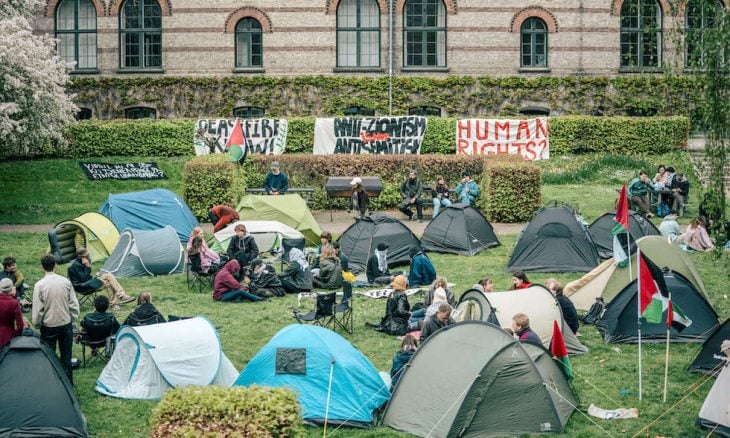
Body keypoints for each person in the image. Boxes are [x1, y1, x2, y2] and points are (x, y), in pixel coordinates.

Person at [32, 254, 79, 382]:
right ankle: (68, 382)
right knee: (66, 355)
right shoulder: (65, 282)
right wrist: (72, 317)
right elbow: (74, 304)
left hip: (49, 326)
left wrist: (37, 323)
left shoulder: (40, 285)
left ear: (42, 267)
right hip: (65, 323)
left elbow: (38, 308)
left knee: (48, 356)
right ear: (56, 266)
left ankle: (51, 382)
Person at [68, 247, 135, 309]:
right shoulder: (76, 265)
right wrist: (87, 266)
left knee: (109, 275)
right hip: (83, 287)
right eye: (86, 255)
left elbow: (87, 277)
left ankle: (121, 295)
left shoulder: (80, 262)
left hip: (88, 283)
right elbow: (85, 279)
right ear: (82, 256)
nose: (88, 257)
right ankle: (116, 301)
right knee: (109, 283)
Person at [0, 278, 23, 348]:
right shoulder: (14, 302)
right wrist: (16, 335)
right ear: (11, 288)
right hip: (8, 334)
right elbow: (20, 324)